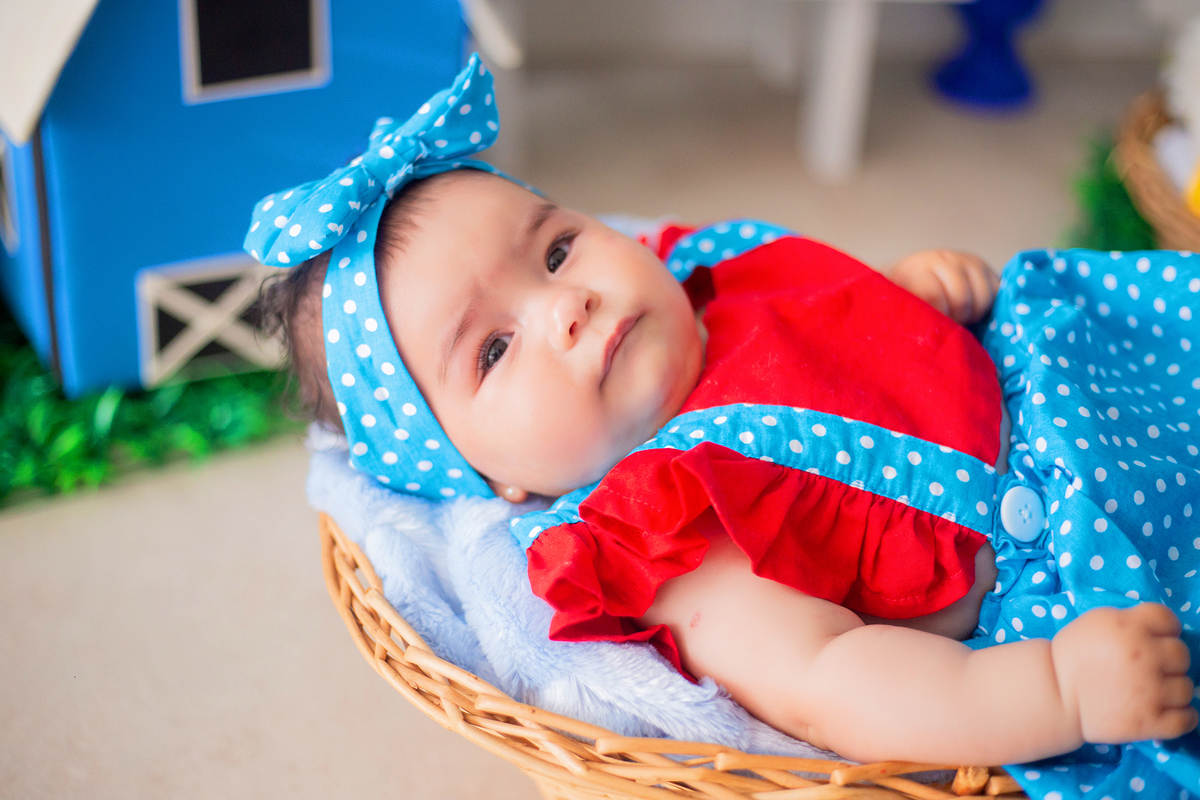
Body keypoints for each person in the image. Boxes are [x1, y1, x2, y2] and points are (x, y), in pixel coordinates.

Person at [249, 55, 1200, 789]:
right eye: (494, 350)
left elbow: (837, 330)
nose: (566, 306)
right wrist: (1059, 690)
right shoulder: (675, 528)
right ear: (491, 476)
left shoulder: (710, 281)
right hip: (1087, 550)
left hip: (1082, 372)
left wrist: (908, 295)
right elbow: (833, 684)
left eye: (558, 250)